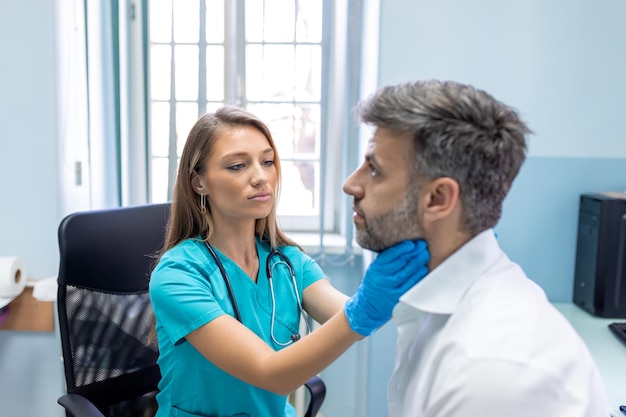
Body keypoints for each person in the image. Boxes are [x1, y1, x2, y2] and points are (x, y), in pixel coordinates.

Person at [342, 79, 609, 417]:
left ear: (438, 199)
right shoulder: (444, 306)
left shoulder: (493, 371)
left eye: (375, 169)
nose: (350, 183)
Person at [148, 105, 430, 417]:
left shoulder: (287, 262)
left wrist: (421, 263)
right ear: (198, 182)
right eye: (238, 165)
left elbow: (345, 312)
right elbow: (271, 372)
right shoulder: (177, 276)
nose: (260, 177)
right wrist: (364, 308)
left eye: (267, 161)